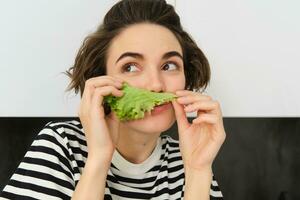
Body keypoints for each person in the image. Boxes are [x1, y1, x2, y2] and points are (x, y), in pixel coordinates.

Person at [0, 0, 226, 199]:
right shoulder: (62, 145)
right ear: (101, 80)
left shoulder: (188, 157)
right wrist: (98, 158)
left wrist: (197, 171)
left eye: (169, 66)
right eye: (130, 67)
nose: (156, 85)